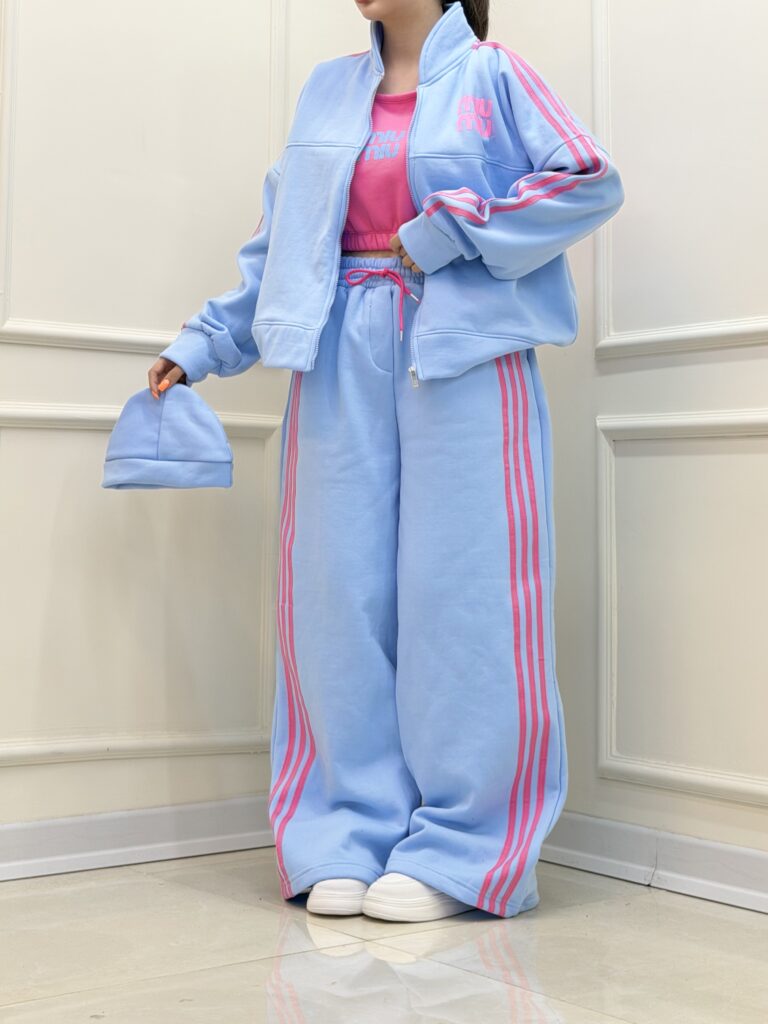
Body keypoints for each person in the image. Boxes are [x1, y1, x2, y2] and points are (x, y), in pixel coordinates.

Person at [147, 0, 625, 922]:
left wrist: (449, 228)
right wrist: (205, 342)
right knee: (334, 598)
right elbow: (284, 242)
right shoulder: (327, 91)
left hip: (464, 353)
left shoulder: (495, 76)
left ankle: (466, 849)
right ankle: (344, 834)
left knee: (467, 600)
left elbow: (589, 181)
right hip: (336, 353)